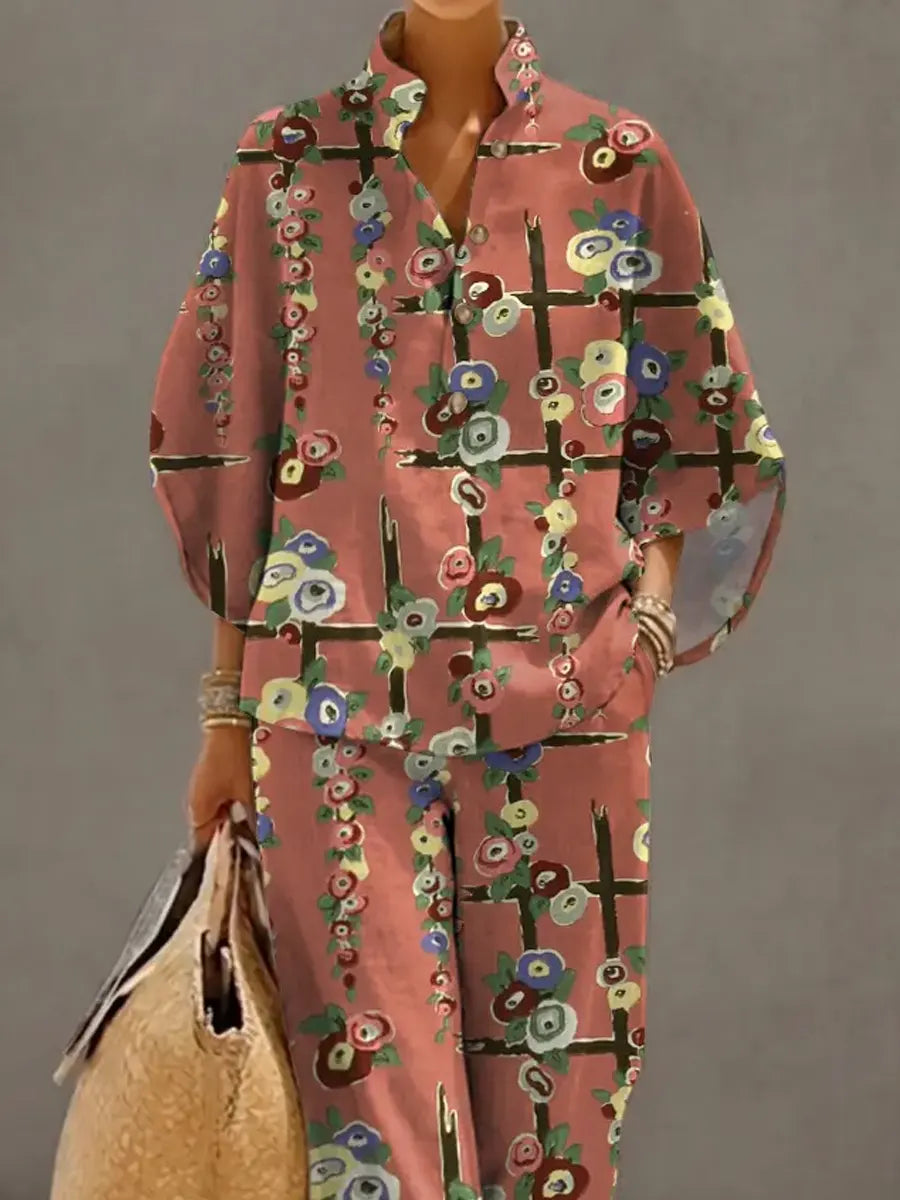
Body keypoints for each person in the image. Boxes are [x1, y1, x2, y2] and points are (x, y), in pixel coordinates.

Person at [149, 1, 786, 1195]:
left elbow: (699, 427)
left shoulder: (618, 165)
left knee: (555, 1155)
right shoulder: (286, 162)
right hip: (334, 719)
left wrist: (643, 631)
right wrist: (226, 711)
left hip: (568, 714)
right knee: (375, 1156)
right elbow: (233, 443)